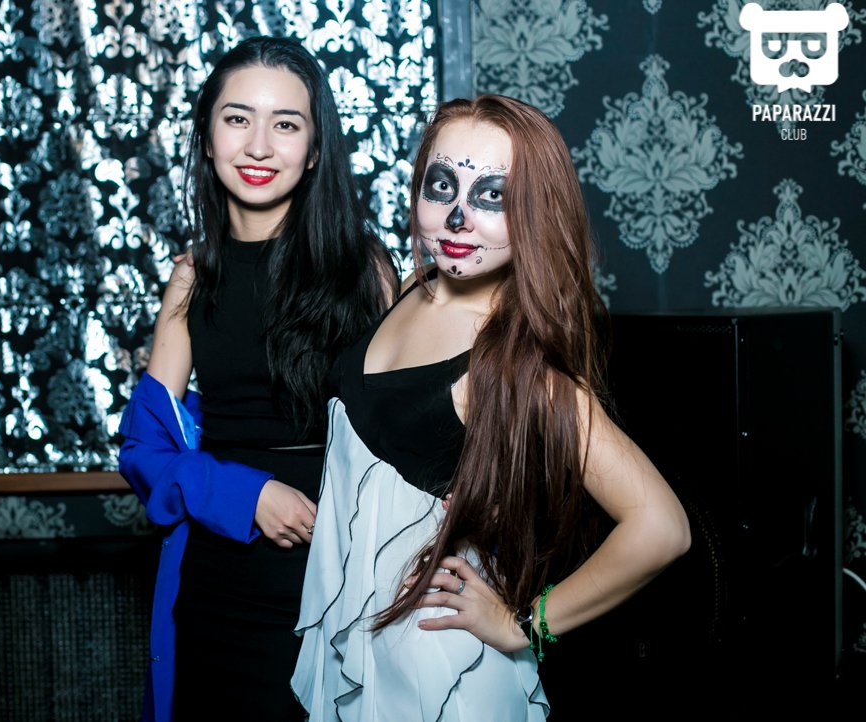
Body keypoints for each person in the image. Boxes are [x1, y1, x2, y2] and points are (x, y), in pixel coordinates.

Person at [291, 94, 692, 720]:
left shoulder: (517, 364)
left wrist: (523, 627)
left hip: (434, 660)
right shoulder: (412, 288)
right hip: (359, 628)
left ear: (534, 211)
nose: (456, 217)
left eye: (491, 196)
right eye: (441, 185)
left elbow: (662, 527)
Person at [118, 36, 397, 722]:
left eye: (287, 124)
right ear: (207, 135)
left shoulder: (364, 268)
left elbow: (408, 434)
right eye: (238, 118)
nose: (259, 146)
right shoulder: (191, 278)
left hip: (345, 581)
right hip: (219, 584)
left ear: (315, 148)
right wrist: (247, 495)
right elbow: (144, 451)